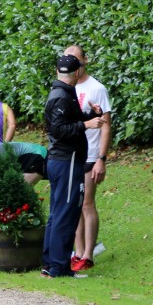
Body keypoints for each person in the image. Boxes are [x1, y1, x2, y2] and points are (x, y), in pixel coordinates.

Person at [43, 54, 105, 278]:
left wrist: (90, 114)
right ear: (77, 73)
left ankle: (50, 263)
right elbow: (58, 130)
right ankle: (59, 267)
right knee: (66, 213)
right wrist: (87, 123)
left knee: (57, 212)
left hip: (61, 160)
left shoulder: (63, 93)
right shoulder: (61, 96)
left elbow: (69, 123)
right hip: (66, 160)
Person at [68, 45, 112, 272]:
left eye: (76, 59)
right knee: (75, 205)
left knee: (87, 204)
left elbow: (106, 126)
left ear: (85, 60)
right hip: (71, 155)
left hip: (91, 154)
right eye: (68, 59)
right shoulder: (67, 87)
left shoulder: (97, 89)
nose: (74, 64)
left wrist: (101, 158)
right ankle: (77, 252)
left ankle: (88, 255)